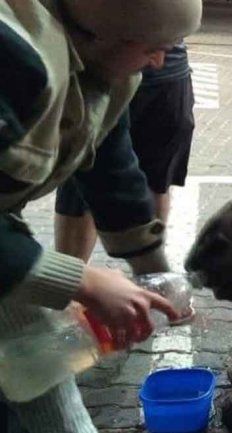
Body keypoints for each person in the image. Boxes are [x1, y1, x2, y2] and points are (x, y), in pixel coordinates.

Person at [0, 0, 201, 431]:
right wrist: (84, 281)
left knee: (33, 377)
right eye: (154, 46)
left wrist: (156, 277)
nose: (161, 60)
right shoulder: (14, 60)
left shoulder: (101, 64)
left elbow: (111, 169)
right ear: (106, 34)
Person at [55, 42, 196, 262]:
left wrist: (152, 271)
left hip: (167, 77)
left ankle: (152, 281)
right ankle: (68, 287)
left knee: (157, 181)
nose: (157, 59)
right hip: (99, 66)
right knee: (80, 183)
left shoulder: (162, 57)